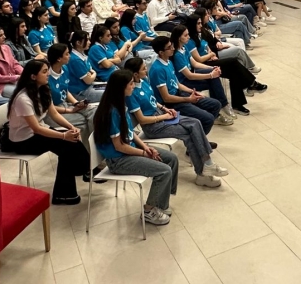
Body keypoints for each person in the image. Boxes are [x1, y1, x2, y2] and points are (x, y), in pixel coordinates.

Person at [123, 57, 228, 188]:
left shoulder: (143, 81)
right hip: (153, 126)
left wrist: (165, 109)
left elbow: (153, 101)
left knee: (195, 123)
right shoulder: (131, 94)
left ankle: (206, 167)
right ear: (135, 74)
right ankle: (204, 170)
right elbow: (142, 120)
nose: (146, 70)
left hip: (161, 115)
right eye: (143, 69)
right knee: (189, 133)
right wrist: (164, 116)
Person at [93, 69, 179, 225]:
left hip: (129, 150)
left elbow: (131, 133)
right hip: (118, 160)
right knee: (164, 170)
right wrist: (144, 153)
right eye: (131, 84)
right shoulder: (112, 111)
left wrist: (145, 147)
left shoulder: (121, 103)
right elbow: (119, 146)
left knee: (171, 158)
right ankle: (148, 211)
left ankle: (160, 203)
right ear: (121, 87)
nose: (134, 86)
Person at [1, 60, 90, 205]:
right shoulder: (23, 99)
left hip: (36, 133)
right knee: (67, 146)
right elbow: (36, 128)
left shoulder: (43, 89)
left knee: (71, 141)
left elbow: (54, 114)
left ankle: (81, 174)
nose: (48, 74)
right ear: (33, 76)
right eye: (44, 71)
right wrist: (63, 136)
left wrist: (70, 127)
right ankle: (69, 188)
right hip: (23, 141)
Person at [148, 36, 224, 134]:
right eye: (169, 47)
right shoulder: (157, 70)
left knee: (216, 104)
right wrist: (188, 99)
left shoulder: (168, 62)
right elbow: (166, 98)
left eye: (172, 45)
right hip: (171, 104)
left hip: (180, 94)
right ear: (161, 52)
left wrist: (192, 92)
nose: (173, 48)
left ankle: (199, 136)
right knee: (208, 119)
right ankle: (197, 139)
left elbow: (177, 84)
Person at [46, 43, 98, 150]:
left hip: (67, 105)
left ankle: (96, 147)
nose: (69, 56)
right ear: (59, 58)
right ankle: (89, 152)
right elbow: (49, 108)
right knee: (83, 121)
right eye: (67, 54)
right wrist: (69, 110)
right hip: (53, 113)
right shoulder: (46, 78)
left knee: (95, 111)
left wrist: (76, 103)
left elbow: (66, 91)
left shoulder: (65, 68)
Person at [65, 33, 104, 103]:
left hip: (87, 87)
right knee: (111, 93)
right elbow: (88, 80)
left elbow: (90, 72)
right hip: (80, 92)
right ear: (78, 43)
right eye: (87, 40)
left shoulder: (82, 55)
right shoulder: (75, 60)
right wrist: (94, 73)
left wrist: (91, 74)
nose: (89, 42)